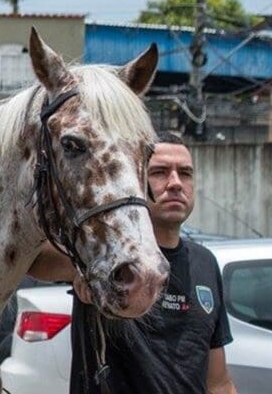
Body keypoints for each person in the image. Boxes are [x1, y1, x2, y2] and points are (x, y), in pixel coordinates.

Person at [28, 132, 237, 394]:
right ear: (135, 182)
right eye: (160, 172)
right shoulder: (102, 253)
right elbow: (32, 260)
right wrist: (80, 268)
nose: (175, 183)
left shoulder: (205, 262)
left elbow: (218, 383)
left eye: (185, 173)